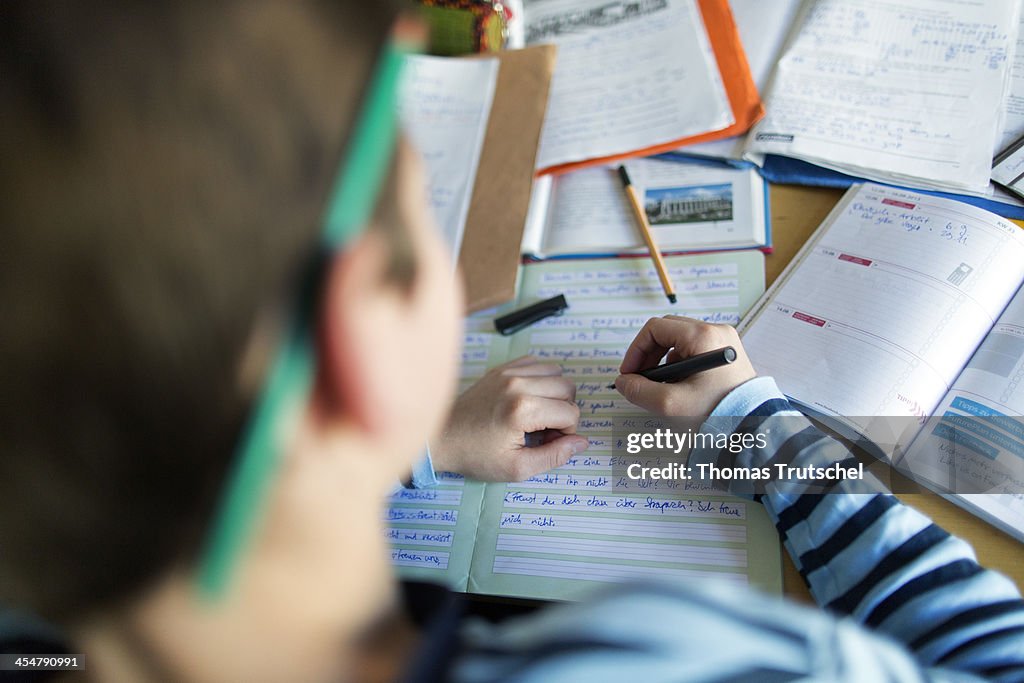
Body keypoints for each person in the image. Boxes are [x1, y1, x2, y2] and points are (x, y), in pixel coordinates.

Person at [0, 2, 1021, 682]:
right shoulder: (686, 658)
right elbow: (992, 653)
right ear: (358, 346)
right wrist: (757, 426)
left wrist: (414, 448)